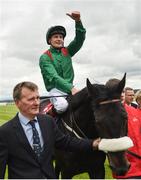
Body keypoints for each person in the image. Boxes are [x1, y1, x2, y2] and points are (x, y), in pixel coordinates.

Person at [0, 81, 102, 179]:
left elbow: (66, 142)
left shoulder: (48, 121)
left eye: (38, 98)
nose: (36, 103)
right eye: (31, 99)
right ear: (17, 102)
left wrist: (92, 144)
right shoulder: (5, 133)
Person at [39, 11, 86, 114]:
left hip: (70, 89)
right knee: (62, 106)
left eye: (61, 37)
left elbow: (79, 40)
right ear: (49, 40)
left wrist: (78, 21)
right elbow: (54, 77)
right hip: (56, 90)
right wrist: (71, 88)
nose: (59, 39)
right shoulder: (45, 57)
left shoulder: (67, 51)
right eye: (56, 37)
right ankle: (49, 120)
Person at [106, 78, 141, 179]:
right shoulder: (105, 116)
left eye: (122, 91)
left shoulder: (135, 111)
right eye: (116, 91)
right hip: (127, 172)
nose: (121, 94)